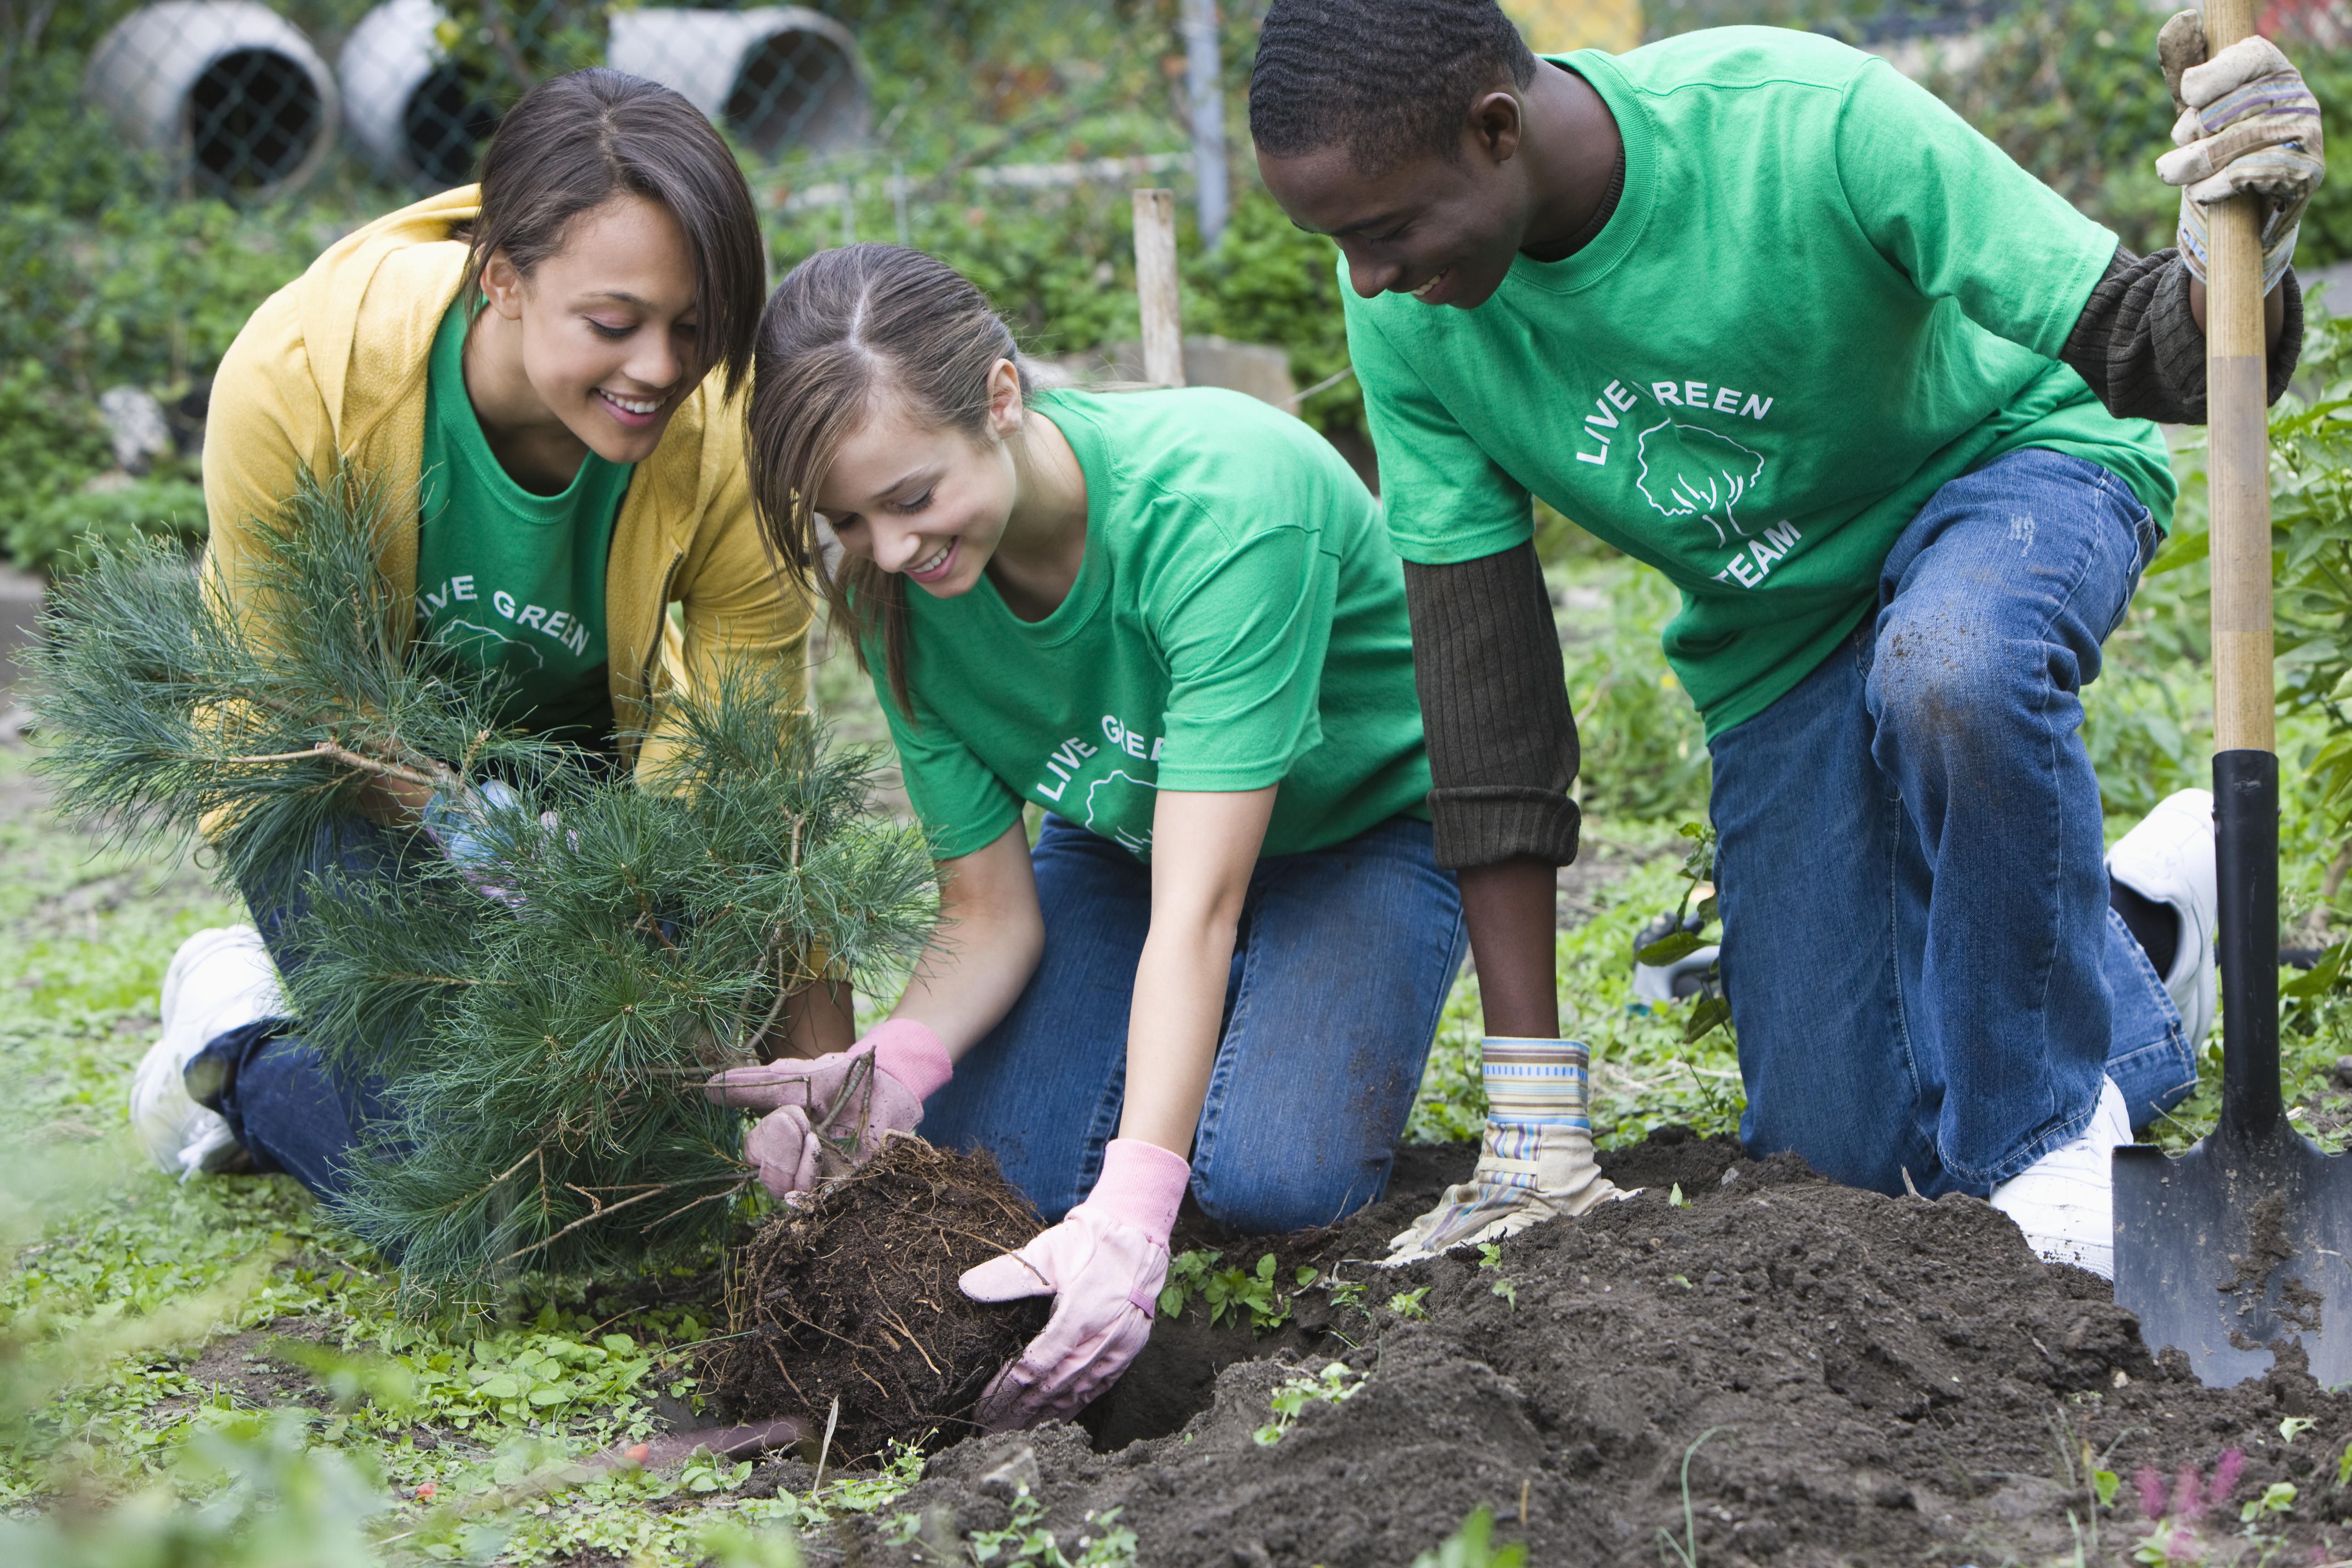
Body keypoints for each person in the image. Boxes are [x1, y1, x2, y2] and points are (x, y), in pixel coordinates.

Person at [1247, 0, 2323, 1277]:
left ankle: (2046, 1139)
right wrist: (1532, 1110)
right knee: (1839, 1154)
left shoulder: (1800, 124)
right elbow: (1489, 702)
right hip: (1781, 623)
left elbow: (2158, 355)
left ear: (1494, 129)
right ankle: (2139, 933)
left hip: (2008, 471)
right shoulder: (1410, 316)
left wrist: (2234, 245)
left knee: (1952, 667)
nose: (1364, 278)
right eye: (1341, 246)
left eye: (1383, 233)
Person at [709, 243, 1475, 1428]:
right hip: (1121, 840)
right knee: (989, 1162)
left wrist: (1131, 1206)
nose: (892, 552)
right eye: (846, 521)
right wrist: (892, 1067)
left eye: (912, 499)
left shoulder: (1220, 506)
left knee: (1270, 1180)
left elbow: (1199, 910)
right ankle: (1199, 1067)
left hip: (1358, 830)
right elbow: (986, 911)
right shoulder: (897, 600)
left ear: (1003, 398)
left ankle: (1277, 1036)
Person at [128, 69, 834, 1197]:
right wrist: (488, 839)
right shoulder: (303, 375)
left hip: (572, 774)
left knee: (665, 1151)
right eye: (614, 324)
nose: (660, 369)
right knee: (462, 1174)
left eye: (694, 328)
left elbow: (759, 773)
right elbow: (289, 698)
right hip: (319, 780)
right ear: (500, 276)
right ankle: (237, 1046)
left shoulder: (729, 433)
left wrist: (815, 1075)